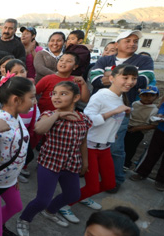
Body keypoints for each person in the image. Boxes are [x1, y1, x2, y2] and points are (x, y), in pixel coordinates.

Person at [61, 65, 138, 223]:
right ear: (112, 78)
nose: (130, 82)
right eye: (125, 77)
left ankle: (83, 197)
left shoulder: (121, 97)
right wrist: (114, 112)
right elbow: (87, 120)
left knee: (110, 183)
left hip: (105, 147)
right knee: (93, 186)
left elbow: (113, 122)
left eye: (133, 78)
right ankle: (63, 204)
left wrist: (113, 132)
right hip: (90, 147)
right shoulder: (101, 95)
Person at [17, 81, 92, 236]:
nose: (57, 97)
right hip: (49, 164)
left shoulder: (84, 119)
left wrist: (85, 162)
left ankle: (50, 211)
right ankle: (24, 219)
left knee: (73, 195)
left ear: (76, 97)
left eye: (63, 94)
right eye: (54, 93)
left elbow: (83, 142)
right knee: (42, 199)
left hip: (71, 164)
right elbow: (39, 129)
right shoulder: (49, 115)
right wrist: (57, 114)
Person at [90, 30, 155, 193]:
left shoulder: (144, 60)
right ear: (117, 43)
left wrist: (111, 76)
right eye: (128, 40)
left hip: (122, 108)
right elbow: (95, 80)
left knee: (115, 146)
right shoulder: (105, 58)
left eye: (135, 41)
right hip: (100, 106)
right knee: (91, 140)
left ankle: (116, 179)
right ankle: (88, 171)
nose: (132, 43)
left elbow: (142, 81)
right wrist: (125, 79)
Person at [0, 73, 35, 236]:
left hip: (9, 180)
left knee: (16, 206)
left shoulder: (16, 117)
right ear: (16, 100)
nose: (35, 101)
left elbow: (14, 150)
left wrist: (15, 174)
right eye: (32, 97)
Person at [4, 60, 40, 183]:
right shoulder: (7, 90)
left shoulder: (29, 86)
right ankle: (14, 175)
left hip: (25, 130)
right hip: (12, 133)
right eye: (15, 72)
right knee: (12, 155)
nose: (20, 75)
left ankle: (17, 172)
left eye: (22, 71)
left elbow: (35, 107)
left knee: (25, 154)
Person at [130, 98, 164, 191]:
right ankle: (142, 173)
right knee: (152, 151)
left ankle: (161, 180)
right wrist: (160, 114)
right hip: (161, 130)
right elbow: (163, 105)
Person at [124, 85, 159, 169]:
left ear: (156, 97)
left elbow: (153, 125)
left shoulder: (154, 109)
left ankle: (126, 164)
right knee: (122, 146)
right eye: (145, 95)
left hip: (138, 131)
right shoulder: (135, 104)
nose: (148, 97)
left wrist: (136, 128)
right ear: (140, 95)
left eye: (151, 95)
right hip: (127, 128)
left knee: (131, 149)